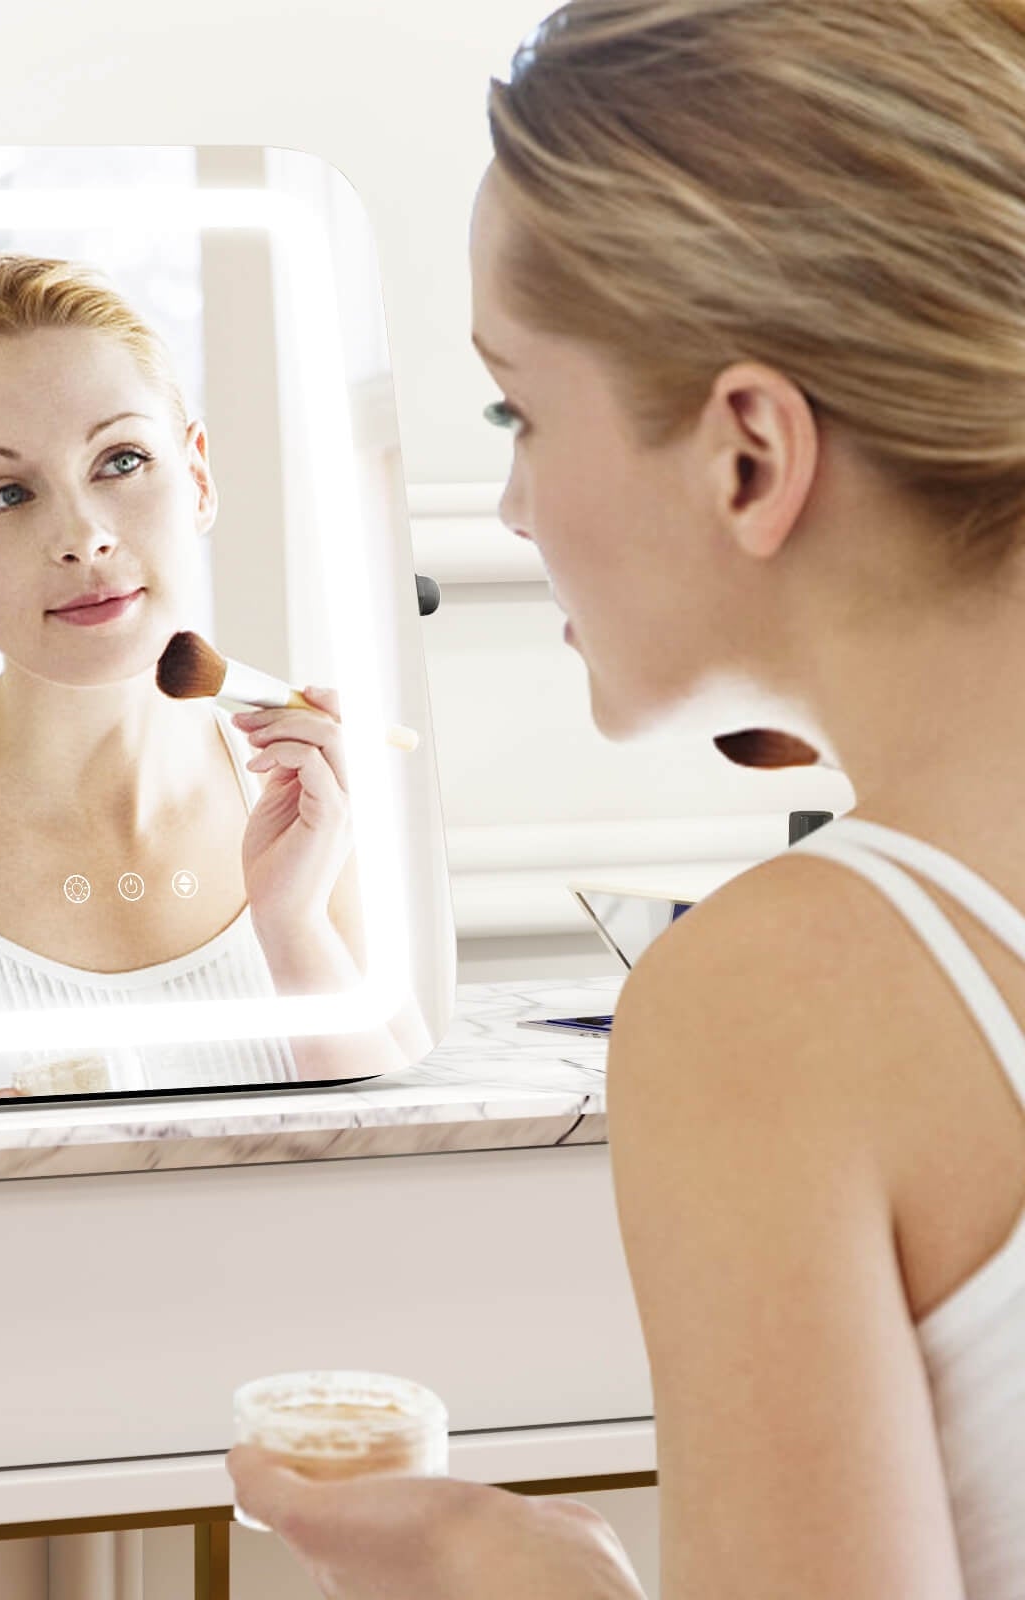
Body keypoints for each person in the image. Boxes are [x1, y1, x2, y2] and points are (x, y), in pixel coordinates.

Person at [230, 2, 1025, 1595]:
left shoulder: (781, 1003)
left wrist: (531, 1575)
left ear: (747, 452)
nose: (513, 505)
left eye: (519, 408)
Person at [0, 253, 429, 1096]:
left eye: (122, 460)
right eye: (2, 494)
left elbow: (410, 1156)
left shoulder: (316, 798)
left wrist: (293, 921)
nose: (84, 535)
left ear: (198, 476)